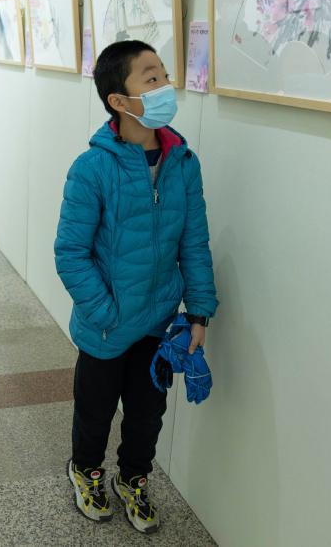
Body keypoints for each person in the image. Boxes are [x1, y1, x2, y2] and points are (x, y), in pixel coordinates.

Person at [54, 40, 218, 533]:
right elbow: (71, 253)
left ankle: (133, 479)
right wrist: (105, 313)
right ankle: (86, 471)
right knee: (95, 412)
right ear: (118, 100)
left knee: (147, 416)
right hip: (105, 326)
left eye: (164, 74)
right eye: (151, 78)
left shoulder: (183, 162)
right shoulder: (92, 168)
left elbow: (194, 242)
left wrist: (198, 312)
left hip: (158, 324)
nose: (166, 86)